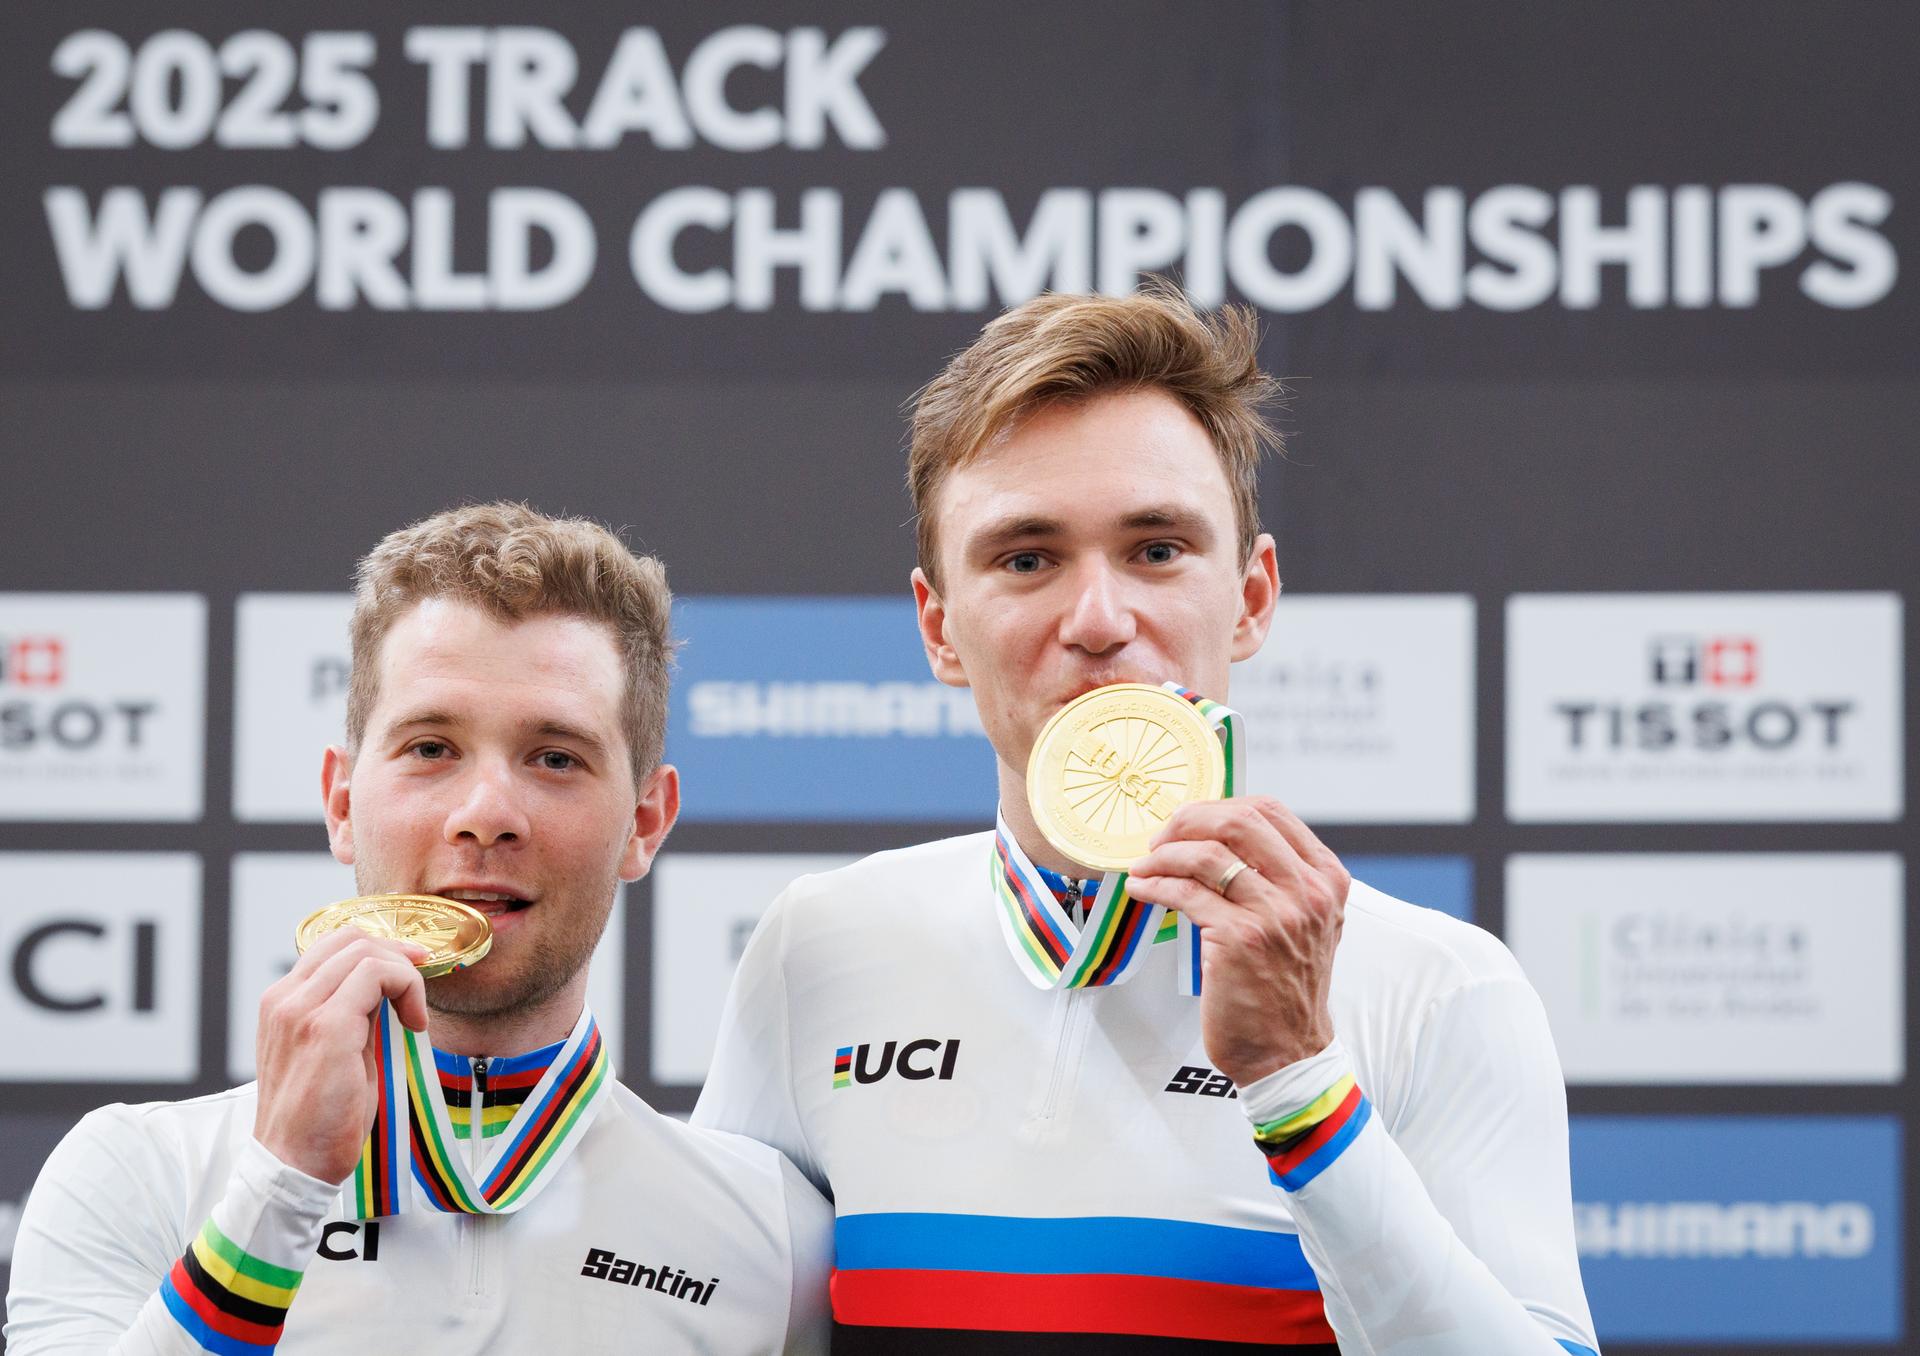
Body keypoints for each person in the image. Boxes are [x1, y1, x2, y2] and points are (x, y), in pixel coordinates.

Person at [694, 288, 1601, 1355]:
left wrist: (1301, 1082)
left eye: (1158, 549)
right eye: (1026, 558)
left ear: (1252, 597)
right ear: (940, 629)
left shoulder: (1440, 986)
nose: (1099, 621)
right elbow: (703, 1322)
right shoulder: (818, 946)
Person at [6, 503, 830, 1355]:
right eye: (431, 748)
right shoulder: (136, 1173)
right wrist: (281, 1188)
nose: (486, 815)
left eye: (556, 758)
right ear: (341, 804)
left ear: (645, 823)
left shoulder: (775, 1235)